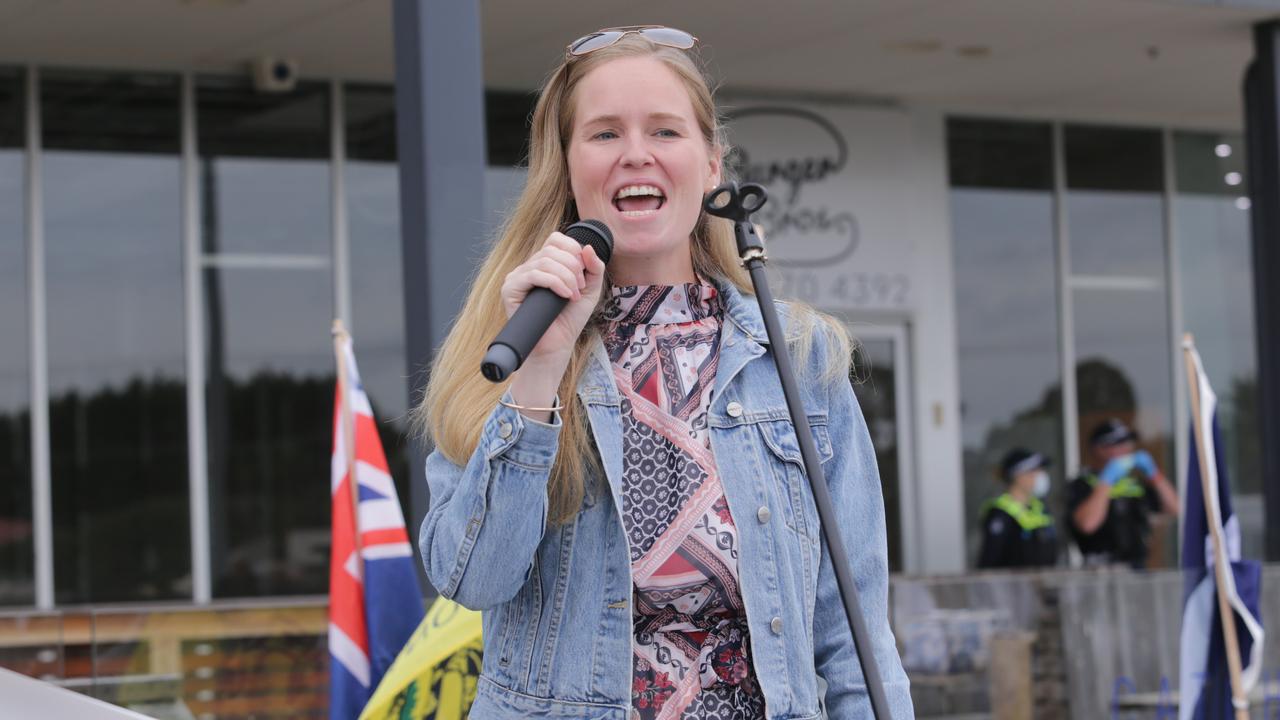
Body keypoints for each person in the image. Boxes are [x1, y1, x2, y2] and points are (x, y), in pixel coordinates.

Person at [415, 25, 912, 719]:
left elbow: (854, 634)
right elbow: (471, 578)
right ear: (566, 165)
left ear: (712, 165)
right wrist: (538, 378)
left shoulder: (800, 358)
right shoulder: (512, 342)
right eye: (605, 133)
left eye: (665, 131)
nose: (637, 155)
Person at [1067, 418, 1180, 569]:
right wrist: (1106, 480)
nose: (1126, 449)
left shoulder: (1134, 484)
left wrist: (1155, 475)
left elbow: (1176, 508)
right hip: (1100, 571)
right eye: (1118, 444)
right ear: (1099, 449)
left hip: (1138, 568)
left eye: (1128, 443)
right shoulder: (1082, 484)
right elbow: (1088, 524)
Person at [976, 448, 1058, 569]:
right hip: (1011, 586)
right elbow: (989, 562)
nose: (1041, 475)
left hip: (1043, 585)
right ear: (1018, 475)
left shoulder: (1040, 508)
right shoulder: (1000, 513)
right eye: (1035, 470)